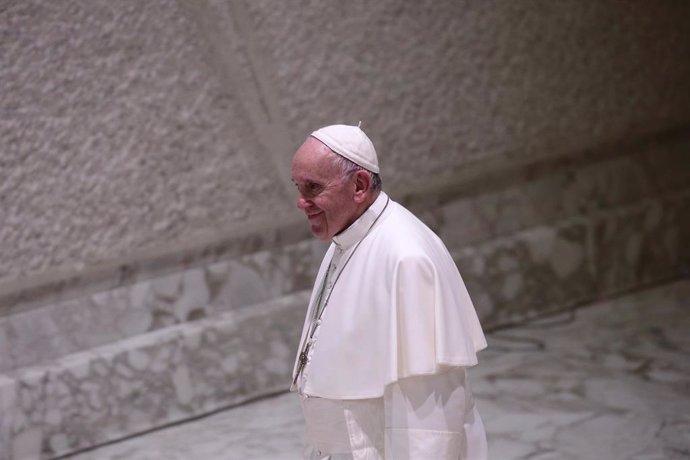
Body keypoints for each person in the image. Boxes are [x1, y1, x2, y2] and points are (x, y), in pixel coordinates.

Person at [290, 123, 488, 460]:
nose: (301, 202)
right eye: (299, 187)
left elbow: (428, 422)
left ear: (360, 186)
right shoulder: (349, 236)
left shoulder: (406, 259)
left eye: (313, 188)